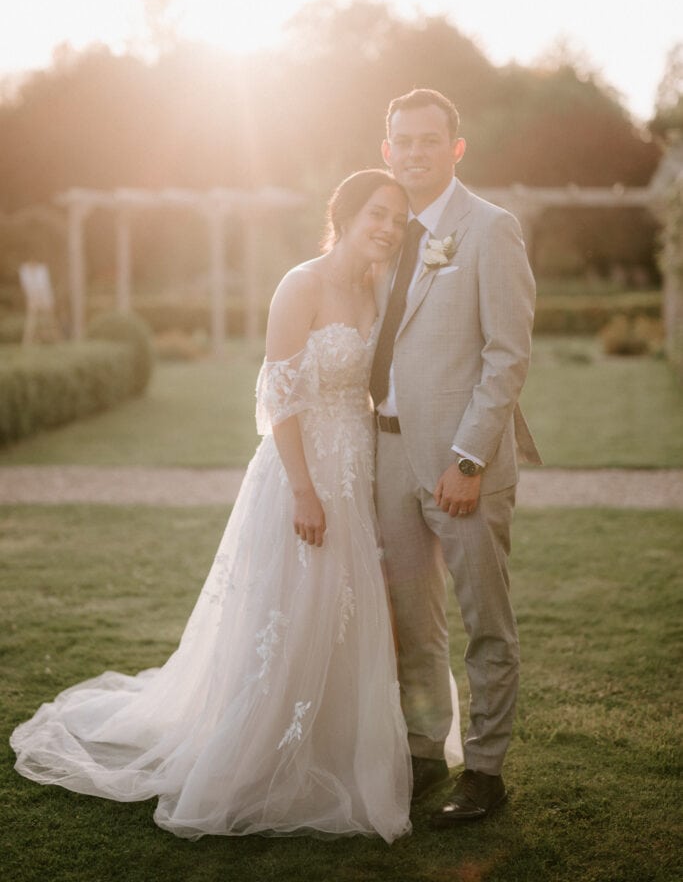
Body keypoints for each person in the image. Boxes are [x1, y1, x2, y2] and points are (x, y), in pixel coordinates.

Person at [11, 169, 456, 843]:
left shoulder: (376, 288)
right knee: (291, 607)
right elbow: (278, 396)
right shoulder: (299, 285)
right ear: (342, 214)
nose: (388, 228)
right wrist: (305, 491)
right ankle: (258, 751)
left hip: (358, 467)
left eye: (397, 218)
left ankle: (337, 745)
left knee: (347, 610)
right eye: (376, 214)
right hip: (299, 472)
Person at [371, 89, 541, 827]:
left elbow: (507, 356)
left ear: (455, 148)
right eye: (401, 141)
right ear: (386, 151)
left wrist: (468, 460)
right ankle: (420, 750)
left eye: (428, 141)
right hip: (385, 457)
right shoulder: (383, 230)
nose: (414, 153)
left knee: (485, 622)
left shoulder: (489, 229)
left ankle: (485, 769)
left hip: (459, 462)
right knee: (412, 620)